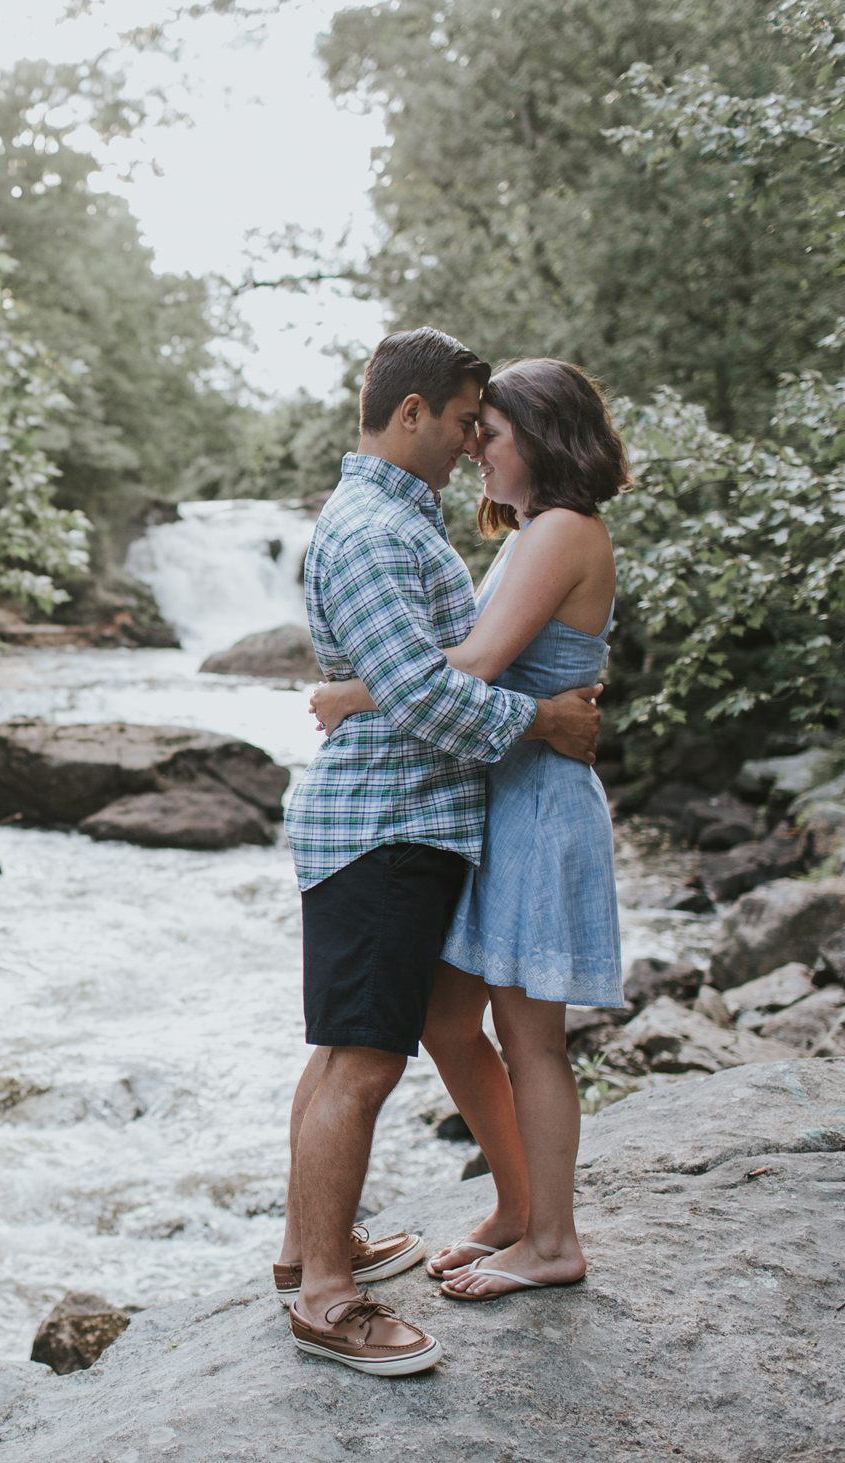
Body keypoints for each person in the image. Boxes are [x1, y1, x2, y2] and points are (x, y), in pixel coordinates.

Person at [276, 329, 602, 1376]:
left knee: (351, 1047)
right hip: (390, 818)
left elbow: (423, 674)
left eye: (488, 430)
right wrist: (541, 721)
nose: (472, 446)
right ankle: (329, 1292)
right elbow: (424, 690)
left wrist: (356, 690)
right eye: (467, 422)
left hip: (419, 817)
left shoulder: (415, 523)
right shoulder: (375, 529)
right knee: (366, 1056)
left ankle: (312, 1254)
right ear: (411, 411)